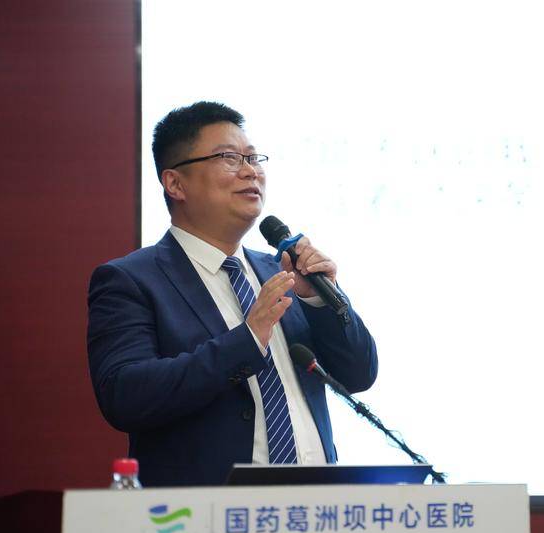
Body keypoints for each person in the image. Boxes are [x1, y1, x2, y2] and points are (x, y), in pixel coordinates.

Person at [87, 101, 378, 487]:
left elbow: (358, 374)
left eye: (253, 158)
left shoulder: (284, 273)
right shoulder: (131, 281)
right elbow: (126, 397)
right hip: (208, 513)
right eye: (229, 158)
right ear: (175, 184)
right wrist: (246, 340)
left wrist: (320, 301)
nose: (250, 171)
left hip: (313, 504)